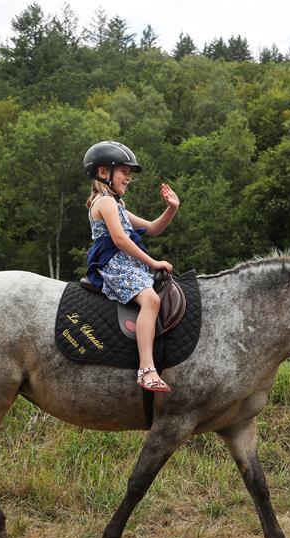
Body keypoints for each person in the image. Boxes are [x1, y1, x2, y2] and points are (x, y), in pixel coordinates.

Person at [83, 140, 180, 393]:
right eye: (124, 172)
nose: (128, 178)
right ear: (104, 172)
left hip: (127, 264)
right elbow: (119, 239)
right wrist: (153, 262)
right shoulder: (104, 202)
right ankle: (146, 370)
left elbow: (153, 228)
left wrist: (172, 208)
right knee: (151, 300)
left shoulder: (118, 205)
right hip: (114, 265)